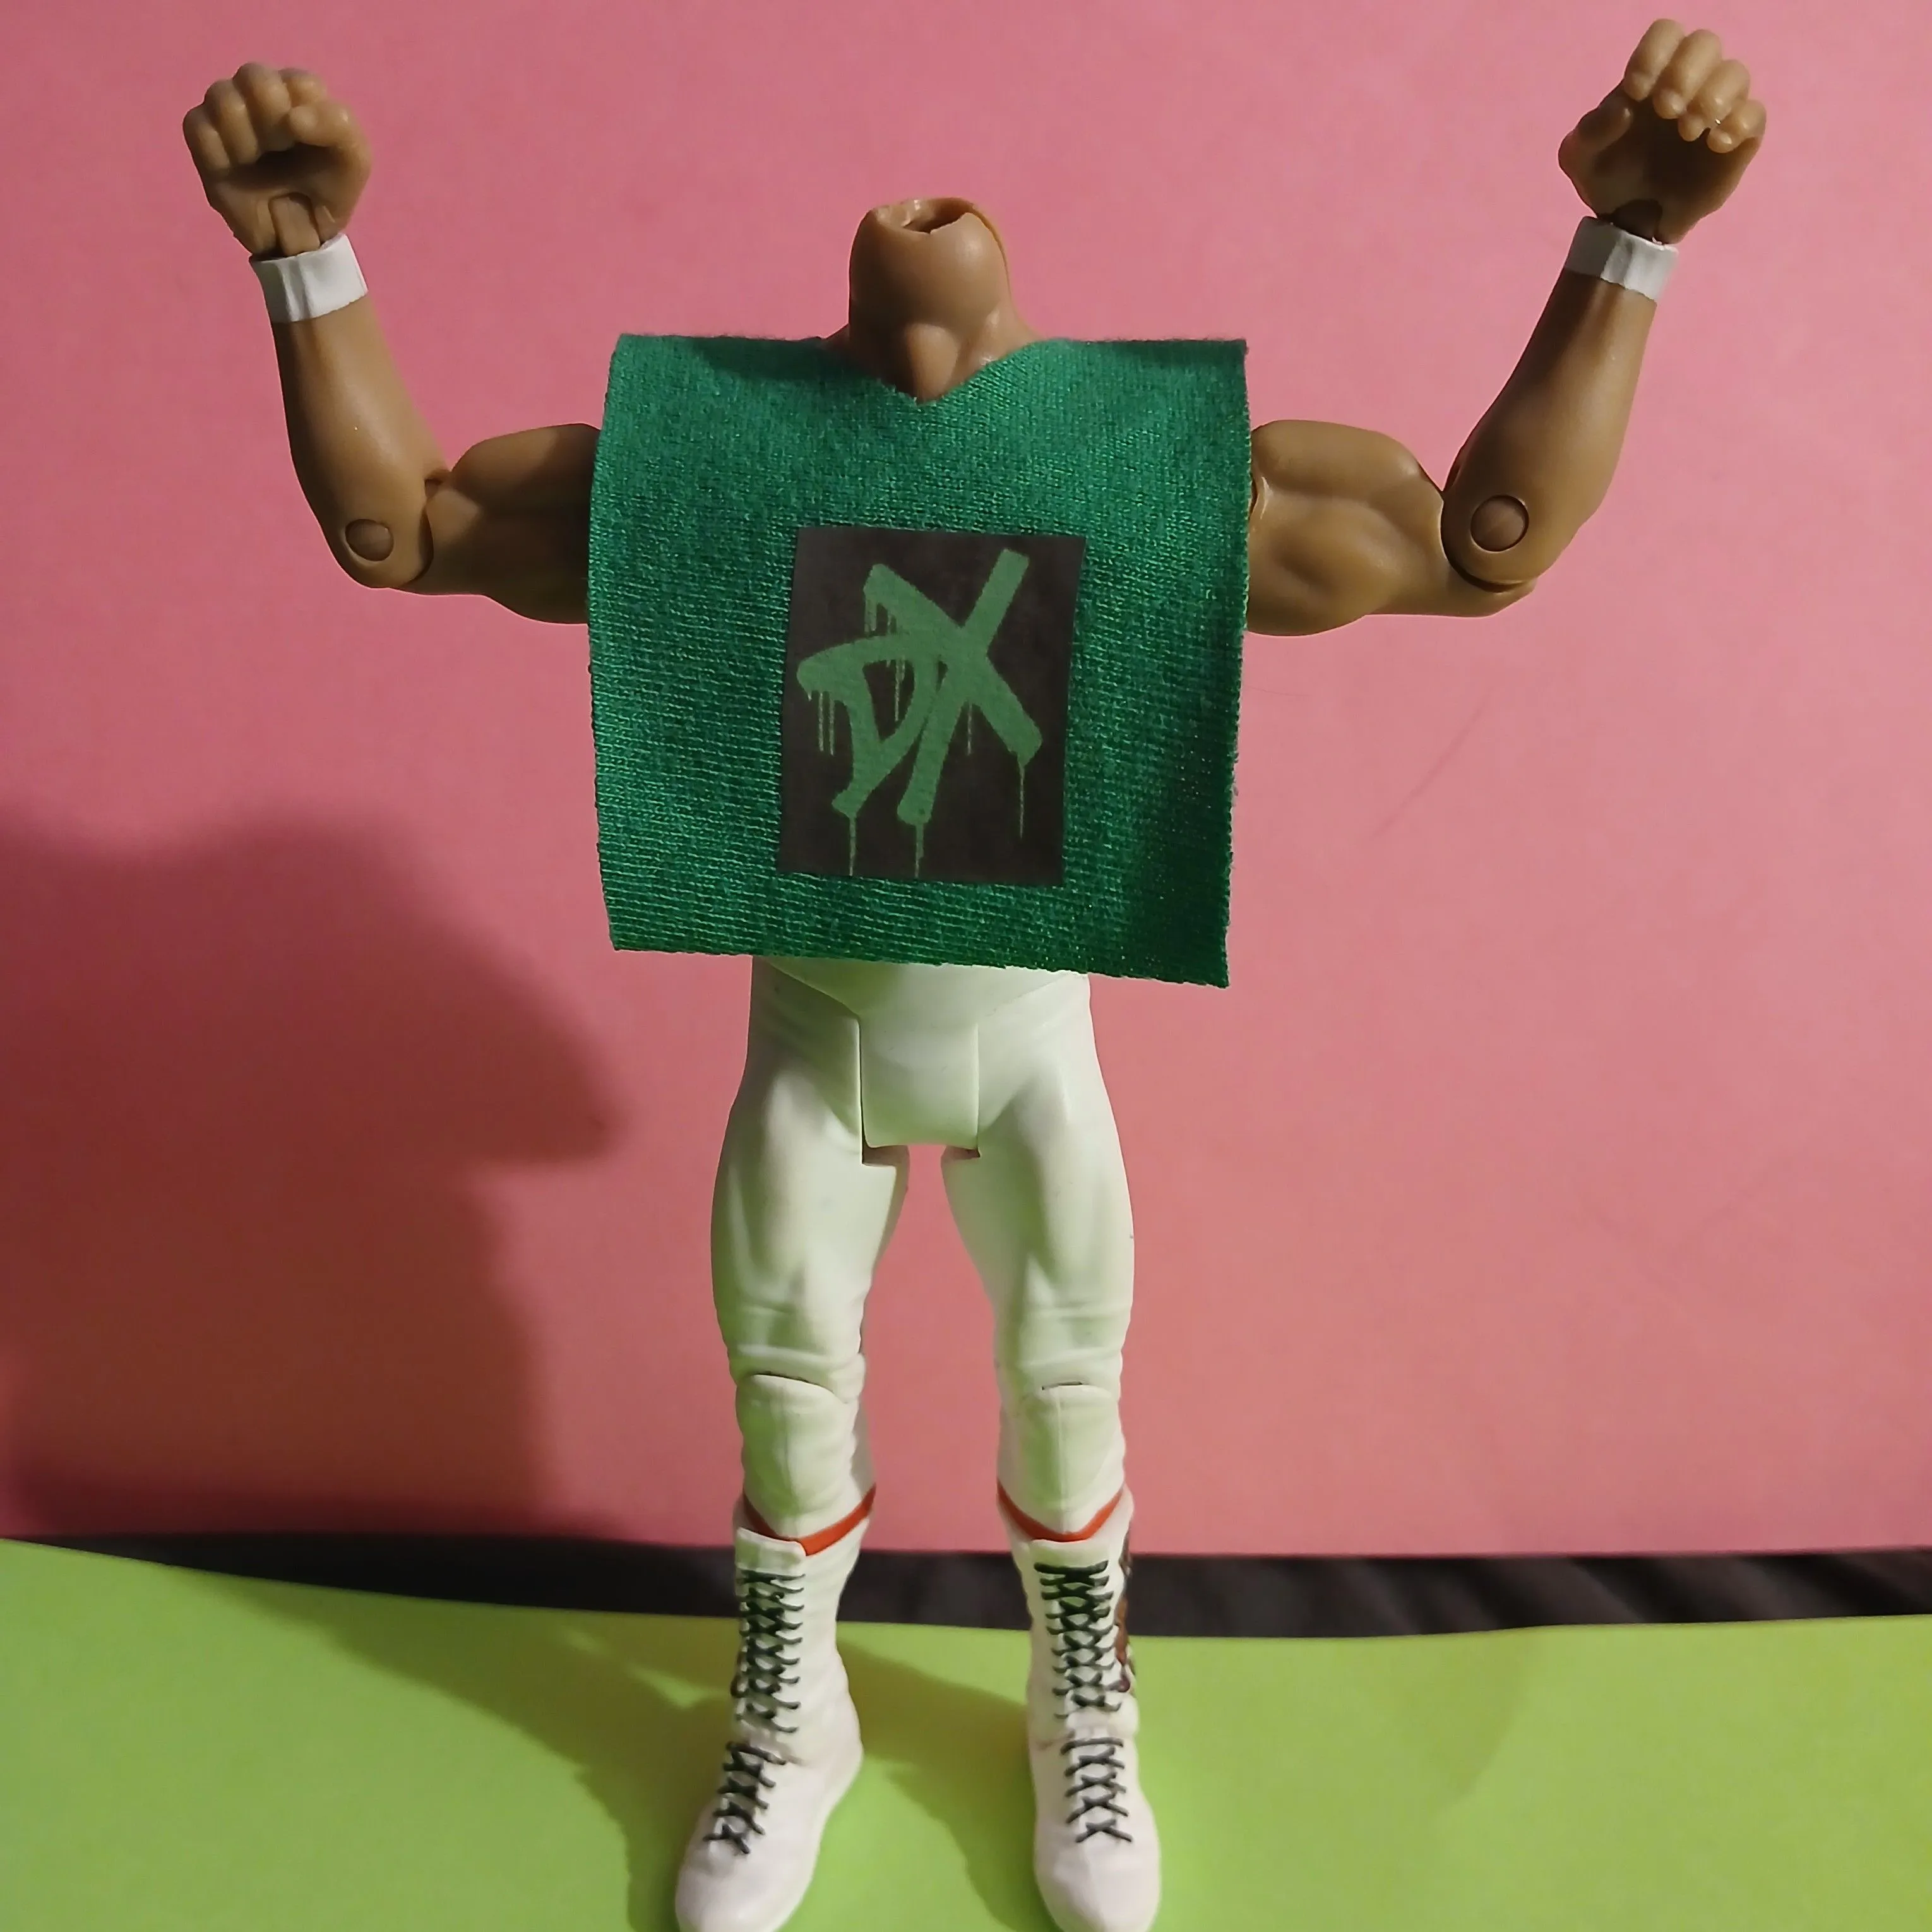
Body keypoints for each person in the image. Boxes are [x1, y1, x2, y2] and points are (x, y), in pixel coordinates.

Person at [183, 24, 1763, 1931]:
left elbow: (1475, 545)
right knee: (787, 1394)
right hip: (816, 1026)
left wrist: (1626, 247)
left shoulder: (1155, 476)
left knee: (1069, 1384)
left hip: (1025, 1030)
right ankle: (795, 1712)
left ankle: (1080, 1699)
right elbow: (407, 529)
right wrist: (307, 264)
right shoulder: (710, 469)